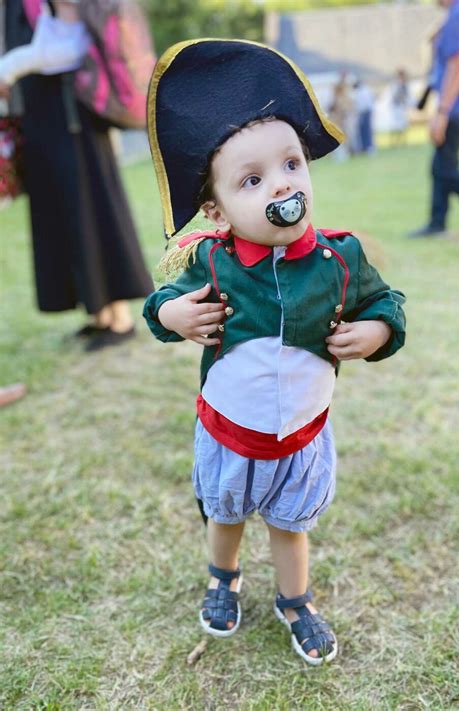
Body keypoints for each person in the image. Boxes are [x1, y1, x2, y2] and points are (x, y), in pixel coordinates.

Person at [143, 40, 406, 665]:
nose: (282, 185)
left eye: (292, 164)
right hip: (232, 431)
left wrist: (376, 334)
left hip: (302, 435)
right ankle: (223, 577)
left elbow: (387, 305)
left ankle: (296, 600)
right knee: (226, 513)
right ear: (217, 208)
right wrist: (172, 314)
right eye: (253, 180)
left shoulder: (340, 258)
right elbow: (160, 307)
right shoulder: (210, 259)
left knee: (292, 523)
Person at [1, 0, 153, 349]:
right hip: (45, 115)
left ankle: (119, 318)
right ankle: (98, 314)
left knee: (90, 208)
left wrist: (10, 67)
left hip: (73, 115)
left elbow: (70, 42)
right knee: (64, 214)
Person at [409, 0, 459, 238]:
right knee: (441, 165)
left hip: (458, 105)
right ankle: (437, 223)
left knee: (446, 169)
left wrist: (442, 112)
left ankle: (437, 223)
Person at [390, 68, 412, 145]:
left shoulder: (404, 85)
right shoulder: (396, 84)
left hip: (402, 106)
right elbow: (395, 96)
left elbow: (407, 95)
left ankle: (402, 141)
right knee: (397, 124)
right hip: (396, 106)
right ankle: (395, 141)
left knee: (403, 124)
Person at [353, 78, 375, 153]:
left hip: (364, 113)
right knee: (363, 131)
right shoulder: (365, 90)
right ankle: (365, 147)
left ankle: (368, 147)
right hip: (365, 112)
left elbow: (362, 105)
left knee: (366, 131)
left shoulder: (361, 91)